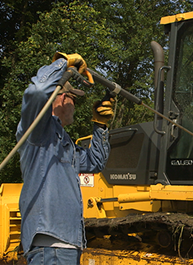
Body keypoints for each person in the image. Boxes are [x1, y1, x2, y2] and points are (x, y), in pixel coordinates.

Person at [16, 53, 114, 265]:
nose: (74, 107)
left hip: (65, 244)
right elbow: (38, 90)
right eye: (74, 100)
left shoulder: (63, 142)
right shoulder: (39, 132)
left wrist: (100, 125)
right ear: (61, 98)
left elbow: (95, 162)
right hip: (50, 247)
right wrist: (63, 64)